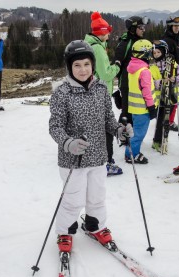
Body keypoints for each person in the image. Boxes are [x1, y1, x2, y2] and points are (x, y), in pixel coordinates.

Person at [48, 40, 133, 252]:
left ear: (92, 65)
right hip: (72, 160)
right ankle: (65, 231)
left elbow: (108, 120)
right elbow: (55, 127)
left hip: (98, 156)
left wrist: (119, 131)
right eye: (77, 65)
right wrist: (68, 143)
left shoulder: (101, 89)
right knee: (73, 199)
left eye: (86, 64)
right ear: (69, 67)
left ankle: (96, 225)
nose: (82, 69)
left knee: (97, 196)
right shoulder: (62, 93)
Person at [84, 11, 122, 176]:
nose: (109, 34)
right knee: (106, 129)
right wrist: (117, 66)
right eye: (107, 31)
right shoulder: (98, 49)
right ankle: (106, 162)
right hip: (100, 94)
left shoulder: (90, 44)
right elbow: (106, 74)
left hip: (92, 92)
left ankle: (92, 159)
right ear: (102, 32)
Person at [124, 39, 157, 164]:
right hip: (143, 109)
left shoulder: (133, 68)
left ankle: (131, 152)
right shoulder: (144, 71)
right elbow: (146, 91)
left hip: (134, 108)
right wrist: (151, 107)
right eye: (150, 52)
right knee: (139, 134)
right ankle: (131, 154)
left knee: (136, 132)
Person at [113, 16, 148, 126]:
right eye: (141, 27)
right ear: (133, 29)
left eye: (144, 27)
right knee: (127, 111)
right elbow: (116, 63)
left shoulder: (140, 42)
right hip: (127, 83)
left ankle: (132, 136)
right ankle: (123, 137)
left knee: (134, 110)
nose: (144, 30)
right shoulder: (126, 43)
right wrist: (123, 78)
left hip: (137, 83)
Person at [150, 40, 179, 153]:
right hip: (160, 100)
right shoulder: (153, 67)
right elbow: (151, 82)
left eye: (158, 52)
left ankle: (164, 138)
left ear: (164, 52)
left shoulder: (173, 64)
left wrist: (175, 80)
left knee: (167, 120)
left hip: (172, 97)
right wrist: (160, 82)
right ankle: (157, 140)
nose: (156, 55)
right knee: (160, 121)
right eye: (154, 53)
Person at [162, 16, 179, 132]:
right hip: (170, 72)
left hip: (178, 71)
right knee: (171, 99)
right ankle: (169, 121)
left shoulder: (178, 39)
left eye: (178, 26)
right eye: (175, 26)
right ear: (170, 27)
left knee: (174, 99)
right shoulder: (167, 40)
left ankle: (168, 120)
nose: (177, 28)